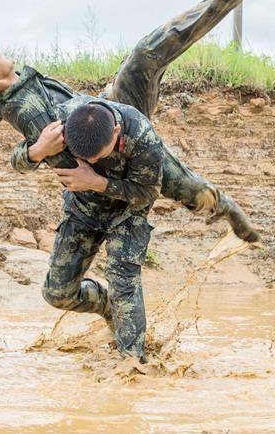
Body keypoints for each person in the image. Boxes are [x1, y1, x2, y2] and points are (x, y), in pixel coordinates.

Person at [0, 0, 262, 243]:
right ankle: (229, 212)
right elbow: (57, 155)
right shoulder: (28, 112)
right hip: (111, 138)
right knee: (184, 186)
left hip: (110, 103)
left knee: (146, 53)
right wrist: (41, 154)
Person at [17, 98, 164, 360]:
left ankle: (132, 365)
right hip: (82, 210)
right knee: (57, 293)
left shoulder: (142, 136)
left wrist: (97, 181)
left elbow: (148, 193)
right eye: (83, 156)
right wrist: (37, 150)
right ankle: (108, 306)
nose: (90, 160)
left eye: (97, 156)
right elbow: (17, 161)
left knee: (123, 283)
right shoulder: (60, 121)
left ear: (116, 132)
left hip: (127, 213)